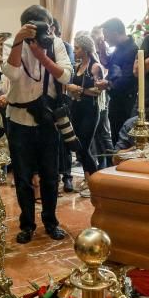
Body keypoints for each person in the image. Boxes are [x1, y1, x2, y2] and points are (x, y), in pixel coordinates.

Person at [4, 5, 73, 244]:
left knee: (50, 176)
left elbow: (65, 76)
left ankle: (51, 221)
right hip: (19, 120)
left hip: (47, 120)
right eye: (34, 26)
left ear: (50, 25)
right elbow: (11, 75)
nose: (40, 31)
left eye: (44, 26)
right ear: (24, 26)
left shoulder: (55, 44)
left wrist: (41, 56)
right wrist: (19, 42)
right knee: (22, 177)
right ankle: (27, 224)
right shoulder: (13, 43)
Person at [65, 33, 102, 194]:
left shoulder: (94, 66)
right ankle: (89, 179)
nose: (74, 50)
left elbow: (98, 91)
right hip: (76, 109)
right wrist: (70, 88)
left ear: (86, 49)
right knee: (78, 146)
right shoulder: (77, 67)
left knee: (84, 146)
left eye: (77, 48)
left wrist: (78, 89)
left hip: (90, 110)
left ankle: (94, 179)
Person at [99, 18, 138, 144]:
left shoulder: (133, 49)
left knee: (125, 141)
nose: (105, 39)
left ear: (115, 34)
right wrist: (102, 50)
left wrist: (108, 84)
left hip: (127, 103)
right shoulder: (117, 48)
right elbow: (108, 65)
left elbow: (128, 79)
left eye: (106, 36)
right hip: (115, 101)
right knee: (115, 139)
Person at [53, 19, 76, 193]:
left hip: (62, 98)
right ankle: (55, 176)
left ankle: (67, 176)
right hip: (48, 100)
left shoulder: (64, 47)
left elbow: (67, 74)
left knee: (65, 138)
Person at [89, 26, 114, 170]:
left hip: (103, 100)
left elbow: (106, 74)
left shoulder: (104, 54)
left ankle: (112, 163)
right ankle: (102, 165)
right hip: (96, 100)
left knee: (104, 133)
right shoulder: (93, 55)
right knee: (98, 135)